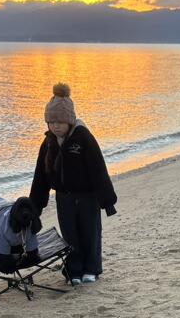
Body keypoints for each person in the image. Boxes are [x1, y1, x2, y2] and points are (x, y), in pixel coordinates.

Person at [30, 83, 117, 285]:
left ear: (69, 120)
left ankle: (91, 269)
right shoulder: (49, 142)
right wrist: (35, 206)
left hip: (87, 196)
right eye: (51, 122)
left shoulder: (83, 137)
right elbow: (40, 176)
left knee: (90, 233)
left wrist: (107, 201)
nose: (55, 126)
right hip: (64, 197)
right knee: (70, 236)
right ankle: (74, 271)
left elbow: (98, 169)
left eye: (60, 122)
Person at [0, 197, 42, 273]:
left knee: (32, 257)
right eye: (21, 209)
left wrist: (31, 256)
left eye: (28, 208)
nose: (25, 212)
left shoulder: (31, 223)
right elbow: (0, 247)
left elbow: (32, 245)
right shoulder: (4, 228)